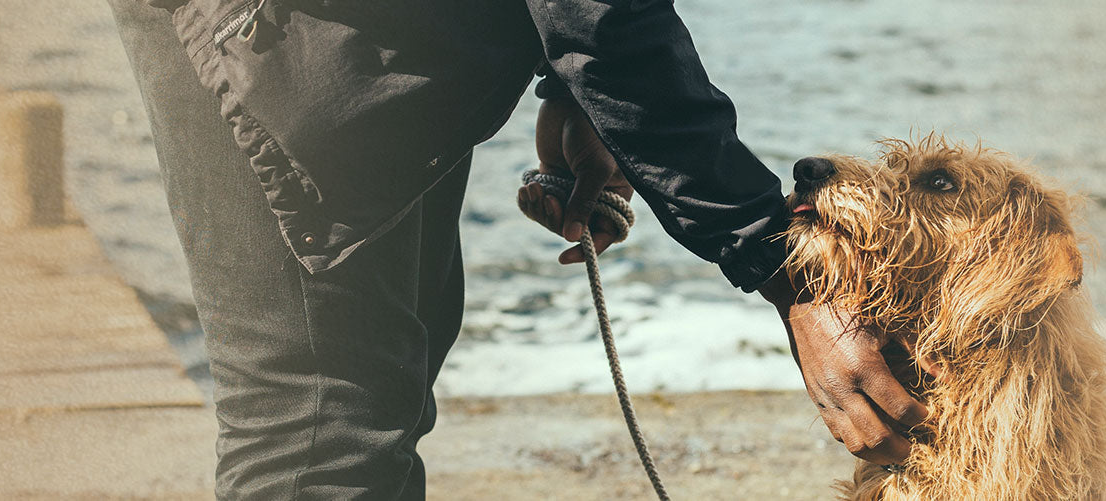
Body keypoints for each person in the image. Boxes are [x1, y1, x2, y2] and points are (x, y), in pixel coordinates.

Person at [106, 0, 927, 498]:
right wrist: (783, 272)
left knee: (381, 400)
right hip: (281, 35)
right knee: (320, 423)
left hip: (383, 30)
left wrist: (568, 86)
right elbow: (600, 10)